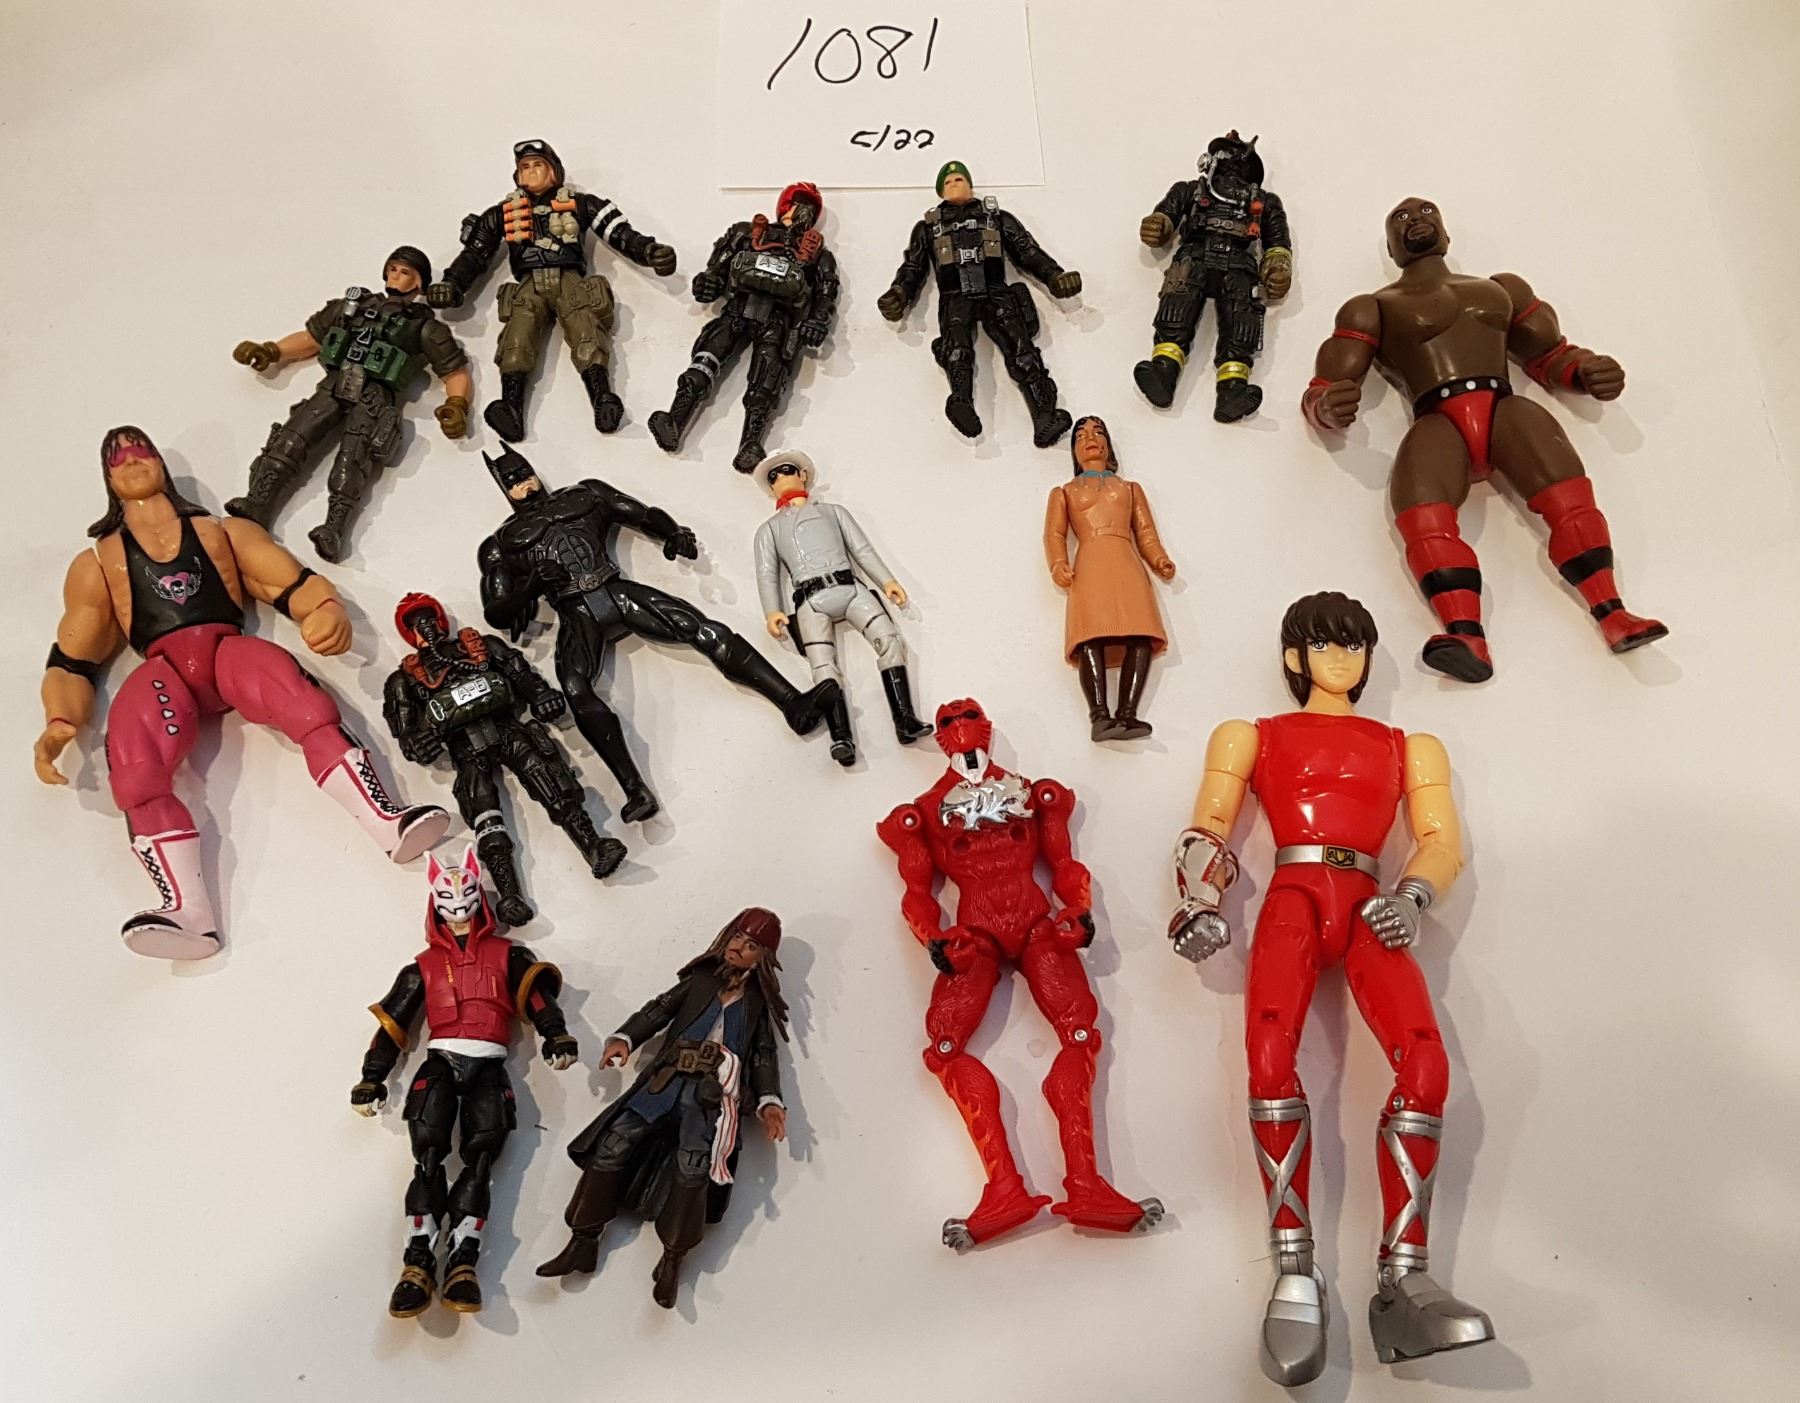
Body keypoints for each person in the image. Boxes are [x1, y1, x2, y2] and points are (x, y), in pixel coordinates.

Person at [1168, 591, 1494, 1384]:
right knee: (1268, 1058)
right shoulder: (1250, 734)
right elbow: (1208, 827)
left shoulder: (1410, 746)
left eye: (1355, 645)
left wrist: (1412, 897)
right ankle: (1293, 1267)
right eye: (1326, 645)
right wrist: (1199, 899)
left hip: (1372, 900)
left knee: (1426, 1067)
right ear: (1296, 656)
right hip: (1294, 892)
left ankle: (1404, 1276)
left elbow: (1441, 839)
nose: (1343, 658)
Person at [35, 426, 448, 959]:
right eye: (118, 458)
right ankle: (187, 912)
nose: (131, 461)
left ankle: (386, 821)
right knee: (135, 769)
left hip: (226, 651)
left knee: (306, 704)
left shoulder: (221, 532)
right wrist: (59, 720)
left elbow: (289, 582)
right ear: (107, 478)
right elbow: (75, 655)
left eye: (140, 451)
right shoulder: (98, 562)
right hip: (163, 672)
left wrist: (324, 611)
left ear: (159, 462)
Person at [1303, 197, 1665, 680]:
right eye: (1401, 219)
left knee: (1571, 503)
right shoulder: (1373, 307)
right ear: (1391, 249)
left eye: (1426, 212)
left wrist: (1584, 371)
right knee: (1422, 520)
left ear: (1447, 234)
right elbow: (1326, 385)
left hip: (1504, 407)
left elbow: (1550, 354)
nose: (1416, 219)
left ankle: (1614, 613)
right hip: (1437, 418)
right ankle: (1466, 636)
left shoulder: (1500, 289)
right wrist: (1326, 407)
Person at [877, 700, 1163, 1249]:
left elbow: (1065, 865)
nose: (961, 729)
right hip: (976, 935)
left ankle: (1086, 1183)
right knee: (945, 1047)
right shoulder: (925, 811)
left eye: (968, 718)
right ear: (941, 737)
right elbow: (916, 890)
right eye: (949, 723)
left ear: (985, 728)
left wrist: (1077, 911)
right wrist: (934, 938)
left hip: (1035, 925)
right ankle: (1004, 1187)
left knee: (1080, 1034)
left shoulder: (1034, 794)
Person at [477, 445, 840, 827]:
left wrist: (672, 534)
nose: (523, 482)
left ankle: (793, 703)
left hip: (615, 589)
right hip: (574, 611)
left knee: (705, 630)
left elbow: (639, 512)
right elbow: (497, 612)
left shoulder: (584, 494)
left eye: (523, 471)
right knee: (575, 688)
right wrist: (531, 586)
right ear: (502, 486)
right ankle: (634, 790)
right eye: (512, 479)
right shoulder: (500, 544)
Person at [353, 847, 577, 1317]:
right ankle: (417, 1262)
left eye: (466, 893)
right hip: (440, 1060)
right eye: (448, 896)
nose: (458, 905)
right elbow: (393, 1023)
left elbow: (538, 1000)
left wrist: (556, 1035)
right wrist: (372, 1077)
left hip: (488, 1063)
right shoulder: (422, 966)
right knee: (428, 1158)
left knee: (480, 1162)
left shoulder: (508, 955)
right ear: (434, 900)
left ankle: (462, 1262)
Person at [537, 908, 790, 1311]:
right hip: (664, 1083)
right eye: (737, 938)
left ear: (763, 958)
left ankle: (673, 1260)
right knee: (612, 1146)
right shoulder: (701, 980)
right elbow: (658, 1011)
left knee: (693, 1171)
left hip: (709, 1099)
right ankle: (582, 1240)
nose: (739, 948)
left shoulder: (756, 1005)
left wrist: (769, 1102)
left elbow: (762, 1056)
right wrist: (625, 1038)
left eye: (751, 946)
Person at [225, 246, 472, 561]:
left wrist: (456, 406)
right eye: (393, 269)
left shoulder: (423, 327)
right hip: (336, 381)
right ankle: (258, 502)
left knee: (353, 460)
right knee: (291, 439)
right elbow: (311, 339)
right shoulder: (352, 306)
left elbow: (454, 371)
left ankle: (333, 530)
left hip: (375, 396)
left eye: (405, 272)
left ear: (419, 283)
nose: (396, 276)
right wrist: (271, 351)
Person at [427, 139, 677, 441]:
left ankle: (602, 399)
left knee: (586, 334)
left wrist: (649, 251)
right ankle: (511, 407)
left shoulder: (581, 204)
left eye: (538, 164)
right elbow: (475, 254)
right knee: (516, 341)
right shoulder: (503, 213)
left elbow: (619, 233)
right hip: (529, 284)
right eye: (525, 166)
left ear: (554, 171)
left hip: (569, 280)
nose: (531, 171)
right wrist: (453, 284)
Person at [877, 160, 1081, 447]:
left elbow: (1027, 251)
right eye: (948, 182)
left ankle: (1044, 415)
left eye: (959, 179)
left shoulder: (996, 218)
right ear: (940, 191)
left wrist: (1054, 276)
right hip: (955, 294)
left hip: (995, 290)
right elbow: (913, 266)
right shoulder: (929, 227)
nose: (954, 184)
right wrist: (899, 293)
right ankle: (961, 402)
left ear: (970, 184)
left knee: (1022, 350)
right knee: (957, 350)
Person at [752, 449, 932, 766]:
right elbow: (766, 573)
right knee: (823, 668)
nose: (781, 479)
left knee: (889, 640)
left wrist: (887, 581)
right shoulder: (769, 530)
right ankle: (840, 737)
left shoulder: (834, 513)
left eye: (787, 470)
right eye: (773, 477)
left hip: (849, 588)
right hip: (810, 601)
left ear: (803, 474)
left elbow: (862, 550)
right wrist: (772, 610)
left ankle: (904, 719)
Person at [648, 183, 840, 472]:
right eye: (799, 204)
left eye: (810, 208)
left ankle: (750, 443)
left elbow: (826, 291)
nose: (804, 212)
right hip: (738, 308)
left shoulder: (817, 253)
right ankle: (675, 418)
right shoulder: (746, 233)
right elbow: (717, 266)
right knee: (705, 361)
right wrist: (708, 282)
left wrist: (817, 321)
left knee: (766, 380)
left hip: (778, 319)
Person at [1134, 131, 1292, 421]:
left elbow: (1277, 241)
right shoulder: (1189, 190)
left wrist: (1278, 268)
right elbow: (1165, 216)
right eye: (1223, 155)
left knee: (1242, 323)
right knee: (1176, 308)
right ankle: (1163, 372)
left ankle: (1233, 390)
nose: (1229, 163)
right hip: (1195, 254)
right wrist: (1158, 226)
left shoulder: (1266, 202)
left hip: (1238, 263)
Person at [1043, 416, 1176, 741]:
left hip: (1125, 561)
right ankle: (1099, 716)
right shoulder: (1065, 492)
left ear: (1108, 445)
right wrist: (1058, 564)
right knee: (1090, 637)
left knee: (1141, 634)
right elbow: (1054, 534)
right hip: (1089, 563)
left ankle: (1128, 713)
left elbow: (1145, 532)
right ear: (1074, 451)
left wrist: (1159, 559)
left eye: (1098, 432)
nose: (1090, 439)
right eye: (1081, 436)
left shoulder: (1129, 489)